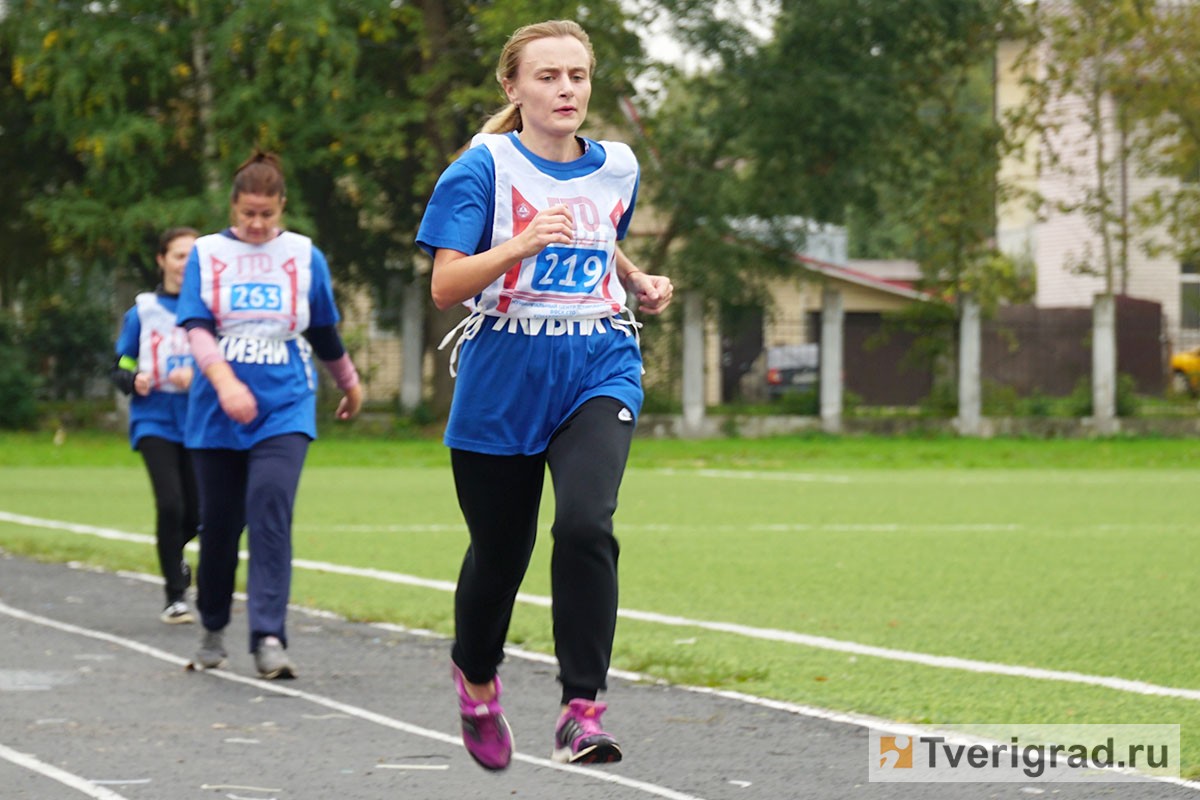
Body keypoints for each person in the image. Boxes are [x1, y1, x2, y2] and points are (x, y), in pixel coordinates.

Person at [416, 19, 673, 770]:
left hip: (598, 362)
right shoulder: (480, 169)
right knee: (501, 554)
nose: (566, 90)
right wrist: (520, 245)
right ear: (513, 87)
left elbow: (597, 235)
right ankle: (475, 679)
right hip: (504, 373)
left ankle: (581, 710)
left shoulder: (617, 166)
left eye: (578, 76)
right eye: (549, 77)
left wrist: (635, 280)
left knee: (587, 524)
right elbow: (445, 285)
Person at [176, 150, 363, 680]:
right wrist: (226, 381)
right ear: (233, 207)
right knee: (219, 528)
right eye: (247, 214)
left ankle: (269, 637)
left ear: (281, 207)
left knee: (270, 511)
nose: (257, 225)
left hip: (285, 404)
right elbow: (194, 326)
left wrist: (349, 384)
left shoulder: (305, 256)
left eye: (267, 214)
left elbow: (323, 331)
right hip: (217, 411)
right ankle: (212, 626)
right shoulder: (207, 253)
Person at [112, 227, 201, 624]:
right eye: (178, 255)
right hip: (156, 419)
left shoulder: (210, 308)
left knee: (199, 511)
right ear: (162, 260)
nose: (185, 264)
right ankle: (175, 594)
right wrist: (135, 380)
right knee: (170, 503)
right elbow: (121, 365)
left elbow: (228, 362)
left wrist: (199, 377)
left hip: (201, 421)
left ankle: (174, 556)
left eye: (192, 256)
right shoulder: (143, 311)